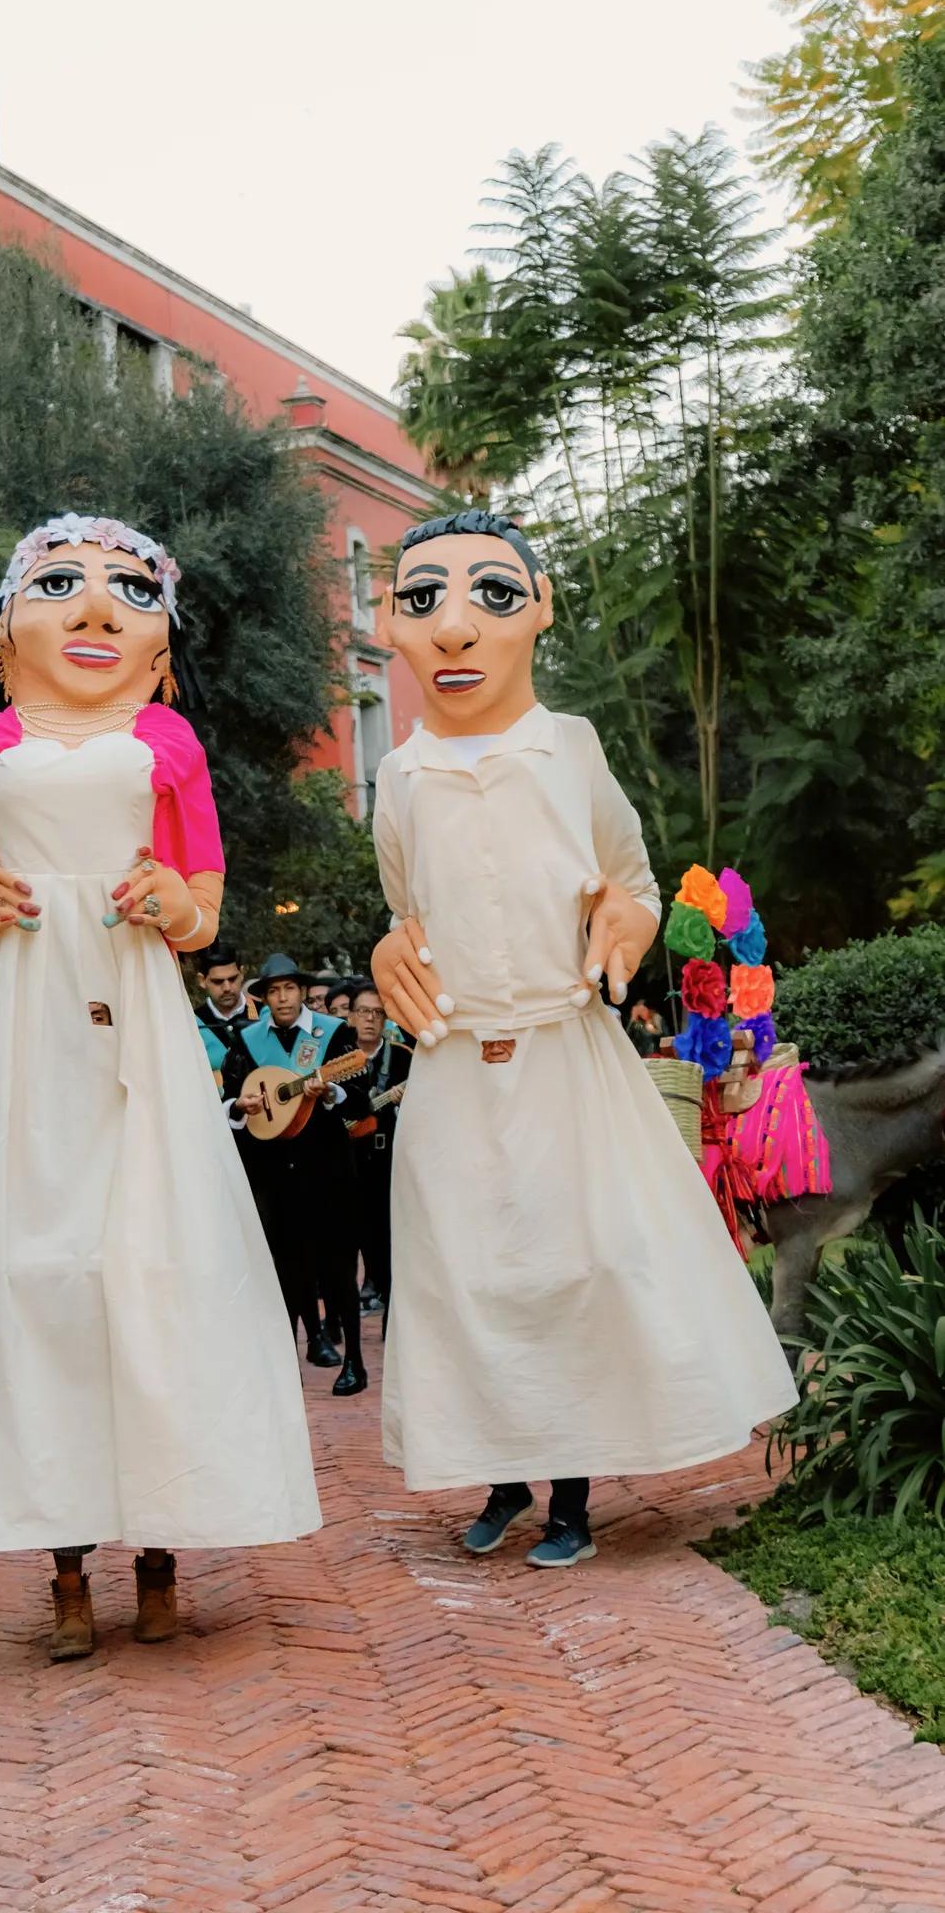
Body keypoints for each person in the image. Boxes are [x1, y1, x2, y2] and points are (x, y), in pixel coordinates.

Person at [370, 509, 796, 1569]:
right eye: (423, 600)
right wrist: (390, 957)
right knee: (465, 1273)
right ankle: (500, 1474)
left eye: (491, 595)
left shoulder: (571, 746)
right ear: (392, 622)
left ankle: (569, 1495)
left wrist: (627, 920)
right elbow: (399, 908)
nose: (456, 627)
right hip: (454, 1063)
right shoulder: (399, 775)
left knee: (574, 1265)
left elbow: (632, 876)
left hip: (566, 1054)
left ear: (539, 607)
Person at [0, 512, 321, 1662]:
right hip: (29, 1024)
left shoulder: (169, 750)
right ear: (8, 631)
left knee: (154, 1263)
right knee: (37, 1266)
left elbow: (205, 901)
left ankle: (158, 1553)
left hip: (136, 1017)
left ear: (158, 648)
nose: (95, 608)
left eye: (127, 593)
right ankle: (62, 1568)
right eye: (60, 584)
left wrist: (174, 907)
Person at [222, 954, 367, 1396]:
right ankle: (285, 1362)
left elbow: (359, 1102)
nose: (282, 998)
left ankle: (355, 1363)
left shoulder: (334, 1034)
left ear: (302, 992)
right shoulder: (247, 1042)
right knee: (285, 1270)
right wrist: (240, 1109)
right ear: (264, 997)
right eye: (273, 991)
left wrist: (331, 1092)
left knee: (339, 1270)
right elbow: (229, 1100)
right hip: (275, 1175)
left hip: (327, 1171)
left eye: (289, 989)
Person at [344, 980, 412, 1323]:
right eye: (363, 1012)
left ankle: (386, 1295)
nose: (370, 1019)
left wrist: (405, 1101)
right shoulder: (338, 1058)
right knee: (349, 1230)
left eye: (378, 1012)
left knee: (387, 1229)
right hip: (348, 1158)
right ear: (351, 1015)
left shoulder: (402, 1058)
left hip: (388, 1157)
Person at [193, 939, 257, 1082]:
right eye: (218, 981)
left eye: (232, 979)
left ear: (241, 973)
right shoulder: (193, 1023)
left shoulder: (264, 1014)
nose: (227, 987)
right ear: (202, 981)